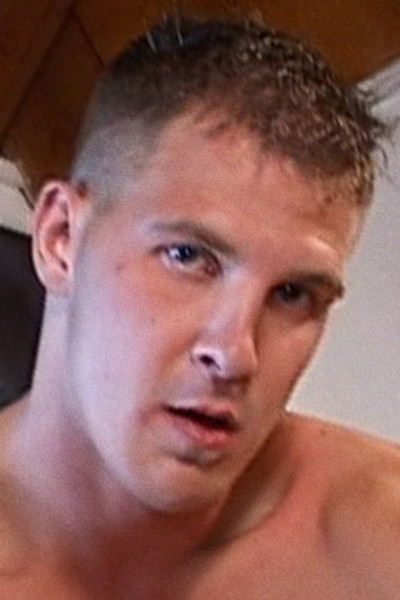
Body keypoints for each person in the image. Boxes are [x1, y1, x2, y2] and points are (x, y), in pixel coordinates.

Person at [0, 12, 398, 600]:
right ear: (61, 237)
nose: (235, 355)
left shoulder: (373, 535)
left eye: (293, 294)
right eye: (187, 256)